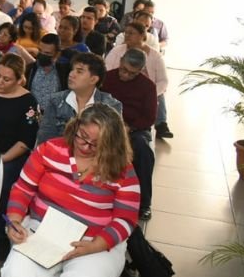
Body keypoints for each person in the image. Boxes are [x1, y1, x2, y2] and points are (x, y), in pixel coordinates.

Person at [0, 104, 139, 277]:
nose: (84, 145)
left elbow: (126, 219)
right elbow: (22, 189)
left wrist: (96, 245)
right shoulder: (49, 150)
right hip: (42, 232)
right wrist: (14, 221)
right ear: (75, 127)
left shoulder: (122, 169)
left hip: (94, 240)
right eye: (82, 136)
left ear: (111, 144)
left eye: (95, 144)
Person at [0, 54, 39, 259]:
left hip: (10, 155)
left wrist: (2, 158)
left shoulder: (28, 101)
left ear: (19, 80)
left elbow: (25, 141)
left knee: (4, 184)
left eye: (6, 79)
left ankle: (0, 237)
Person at [101, 48, 157, 221]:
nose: (125, 75)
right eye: (123, 69)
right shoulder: (107, 78)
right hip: (106, 124)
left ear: (140, 71)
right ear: (120, 61)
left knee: (142, 151)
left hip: (134, 129)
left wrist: (129, 128)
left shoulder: (148, 86)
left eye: (131, 73)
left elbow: (149, 118)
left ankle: (144, 203)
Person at [36, 52, 122, 144]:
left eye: (79, 71)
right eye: (72, 70)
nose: (71, 74)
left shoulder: (110, 106)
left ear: (93, 79)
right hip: (60, 154)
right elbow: (45, 138)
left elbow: (112, 144)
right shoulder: (55, 101)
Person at [105, 22, 172, 139]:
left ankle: (161, 124)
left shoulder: (155, 56)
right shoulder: (116, 53)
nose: (127, 36)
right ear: (121, 62)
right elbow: (107, 69)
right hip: (116, 95)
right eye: (126, 33)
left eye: (131, 33)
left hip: (145, 92)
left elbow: (163, 81)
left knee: (141, 143)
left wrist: (151, 94)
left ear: (142, 36)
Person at [25, 34, 70, 111]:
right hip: (31, 114)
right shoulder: (30, 69)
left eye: (47, 53)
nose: (42, 55)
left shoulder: (63, 72)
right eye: (40, 51)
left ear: (57, 53)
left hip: (54, 117)